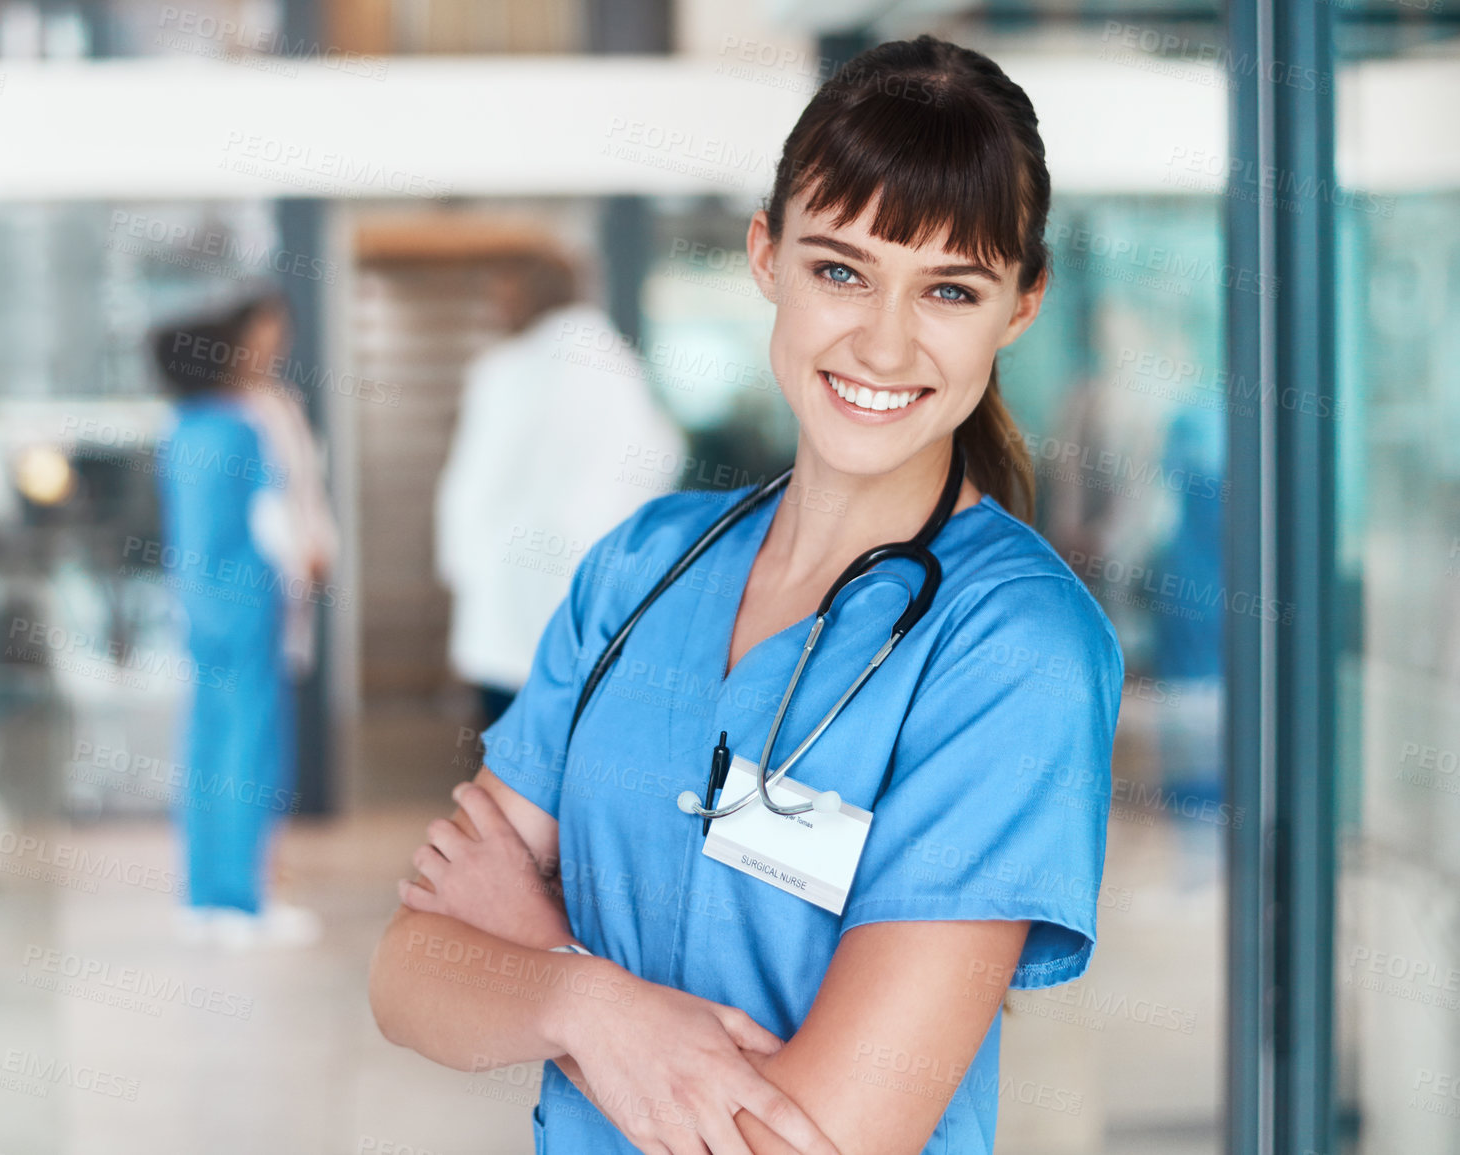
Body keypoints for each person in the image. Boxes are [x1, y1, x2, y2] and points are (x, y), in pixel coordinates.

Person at [369, 34, 1125, 1155]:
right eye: (840, 269)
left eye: (950, 289)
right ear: (766, 256)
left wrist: (538, 960)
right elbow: (410, 974)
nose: (882, 340)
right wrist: (589, 1003)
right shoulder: (643, 567)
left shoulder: (1014, 651)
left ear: (1021, 306)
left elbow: (827, 1140)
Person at [434, 251, 687, 729]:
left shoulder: (506, 370)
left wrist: (462, 574)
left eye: (502, 297)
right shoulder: (618, 364)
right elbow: (660, 459)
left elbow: (472, 485)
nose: (497, 310)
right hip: (602, 589)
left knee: (511, 761)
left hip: (510, 588)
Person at [152, 290, 333, 950]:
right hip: (250, 603)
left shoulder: (182, 429)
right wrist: (310, 562)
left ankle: (203, 894)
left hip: (199, 607)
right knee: (251, 746)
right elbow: (273, 516)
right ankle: (244, 899)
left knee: (205, 743)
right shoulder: (243, 426)